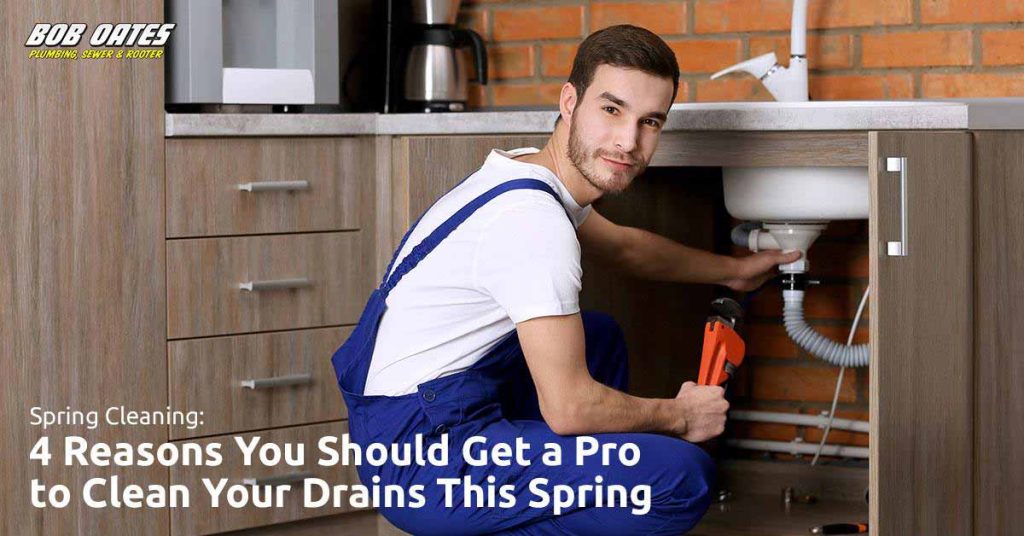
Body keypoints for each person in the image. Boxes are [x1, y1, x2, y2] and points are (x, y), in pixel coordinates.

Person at [332, 24, 800, 535]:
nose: (629, 141)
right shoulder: (533, 223)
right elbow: (571, 407)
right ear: (570, 100)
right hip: (427, 460)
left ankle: (540, 491)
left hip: (418, 419)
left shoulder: (527, 172)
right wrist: (681, 416)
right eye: (612, 110)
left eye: (650, 122)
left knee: (596, 337)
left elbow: (626, 248)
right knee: (680, 479)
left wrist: (735, 271)